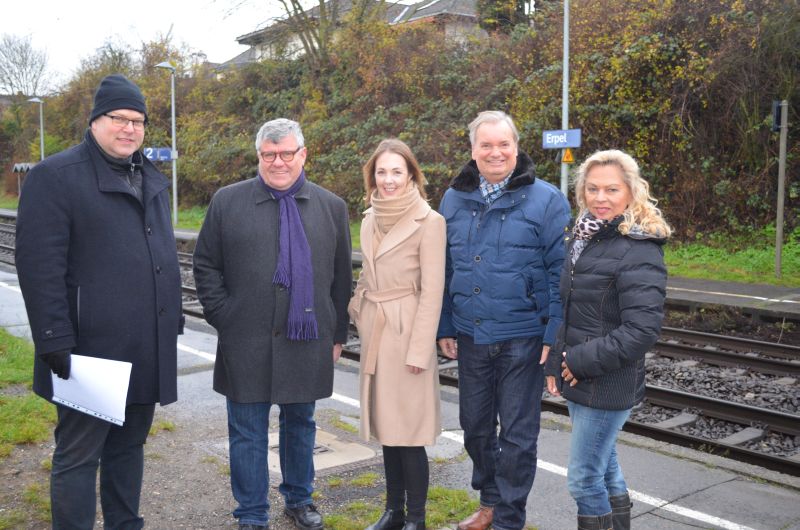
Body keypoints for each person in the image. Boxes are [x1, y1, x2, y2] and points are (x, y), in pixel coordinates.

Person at [15, 74, 183, 529]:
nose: (129, 128)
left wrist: (171, 322)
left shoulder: (150, 178)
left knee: (129, 448)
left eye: (139, 121)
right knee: (79, 455)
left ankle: (124, 525)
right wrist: (53, 339)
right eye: (119, 118)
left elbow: (159, 254)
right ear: (95, 120)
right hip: (88, 351)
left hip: (145, 344)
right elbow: (39, 267)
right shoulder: (57, 177)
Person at [192, 118, 352, 530]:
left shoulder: (331, 207)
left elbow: (340, 279)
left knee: (301, 424)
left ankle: (299, 499)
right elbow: (206, 264)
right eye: (268, 154)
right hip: (245, 338)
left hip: (307, 338)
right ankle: (251, 513)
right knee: (247, 431)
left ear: (303, 155)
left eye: (286, 154)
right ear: (259, 155)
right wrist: (223, 316)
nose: (277, 162)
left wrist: (336, 334)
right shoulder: (227, 202)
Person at [436, 110, 571, 530]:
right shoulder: (452, 199)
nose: (496, 152)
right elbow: (443, 267)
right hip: (471, 333)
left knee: (516, 436)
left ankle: (509, 520)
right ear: (473, 149)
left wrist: (554, 333)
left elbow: (560, 275)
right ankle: (491, 501)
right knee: (474, 427)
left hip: (523, 337)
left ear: (516, 146)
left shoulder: (547, 200)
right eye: (486, 145)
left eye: (503, 144)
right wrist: (445, 325)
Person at [545, 149, 670, 530]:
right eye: (593, 188)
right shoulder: (586, 237)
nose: (601, 198)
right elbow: (571, 307)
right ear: (582, 191)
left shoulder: (639, 248)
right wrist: (556, 362)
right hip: (581, 375)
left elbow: (641, 331)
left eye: (611, 189)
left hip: (606, 380)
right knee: (606, 466)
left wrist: (577, 361)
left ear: (631, 192)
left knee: (583, 479)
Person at [348, 139, 447, 530]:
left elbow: (433, 290)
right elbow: (367, 273)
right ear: (373, 175)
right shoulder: (370, 217)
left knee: (409, 432)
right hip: (376, 327)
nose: (388, 180)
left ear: (411, 176)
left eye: (396, 172)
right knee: (388, 429)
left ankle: (416, 520)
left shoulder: (430, 221)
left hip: (407, 334)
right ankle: (393, 512)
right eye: (381, 172)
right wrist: (358, 308)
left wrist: (420, 350)